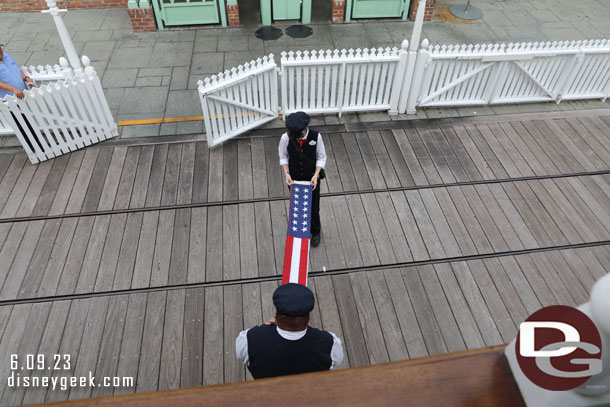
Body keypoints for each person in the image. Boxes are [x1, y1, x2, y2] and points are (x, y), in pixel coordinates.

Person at [236, 283, 343, 379]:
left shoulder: (247, 340)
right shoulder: (331, 344)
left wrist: (265, 327)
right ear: (308, 317)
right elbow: (336, 361)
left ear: (276, 314)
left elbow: (241, 354)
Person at [278, 111, 326, 247]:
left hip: (312, 178)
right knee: (297, 205)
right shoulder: (285, 138)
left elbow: (321, 157)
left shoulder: (316, 137)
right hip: (294, 178)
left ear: (305, 128)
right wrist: (286, 173)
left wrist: (316, 175)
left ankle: (316, 231)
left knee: (314, 206)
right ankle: (300, 232)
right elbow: (283, 156)